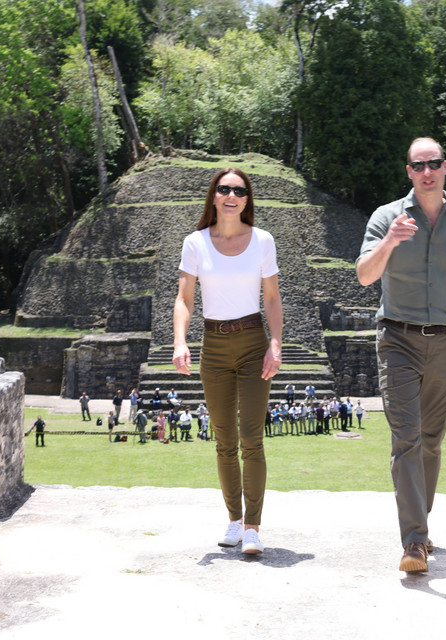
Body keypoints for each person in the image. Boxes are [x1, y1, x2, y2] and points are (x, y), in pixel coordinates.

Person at [356, 137, 446, 574]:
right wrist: (390, 242)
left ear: (445, 167)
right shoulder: (385, 218)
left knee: (431, 442)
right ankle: (414, 543)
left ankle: (422, 527)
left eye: (434, 163)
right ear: (408, 171)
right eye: (418, 165)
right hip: (397, 339)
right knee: (407, 439)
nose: (427, 171)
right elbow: (363, 276)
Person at [173, 167, 283, 556]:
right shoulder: (195, 242)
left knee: (251, 438)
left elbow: (271, 298)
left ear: (247, 198)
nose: (231, 195)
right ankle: (233, 520)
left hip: (254, 342)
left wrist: (275, 343)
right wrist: (179, 341)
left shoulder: (263, 241)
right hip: (214, 345)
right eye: (224, 189)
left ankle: (253, 526)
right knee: (223, 440)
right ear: (214, 197)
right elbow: (185, 298)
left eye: (239, 190)